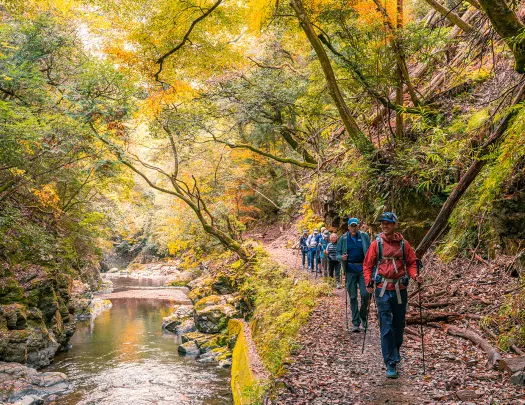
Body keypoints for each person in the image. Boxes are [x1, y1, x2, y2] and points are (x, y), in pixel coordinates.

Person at [363, 212, 423, 379]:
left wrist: (415, 275)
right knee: (386, 326)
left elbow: (411, 263)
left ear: (395, 225)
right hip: (382, 289)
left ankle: (395, 350)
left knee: (398, 325)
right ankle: (390, 362)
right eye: (382, 223)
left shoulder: (404, 244)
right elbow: (367, 265)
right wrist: (369, 282)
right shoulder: (377, 244)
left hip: (400, 289)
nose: (384, 226)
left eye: (388, 223)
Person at [336, 217, 371, 333]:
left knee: (366, 294)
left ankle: (363, 316)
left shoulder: (364, 236)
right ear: (348, 227)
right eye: (351, 226)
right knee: (352, 296)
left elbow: (371, 251)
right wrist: (341, 257)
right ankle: (355, 322)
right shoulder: (344, 238)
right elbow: (337, 253)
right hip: (350, 269)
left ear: (358, 226)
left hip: (363, 269)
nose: (353, 228)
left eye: (355, 226)